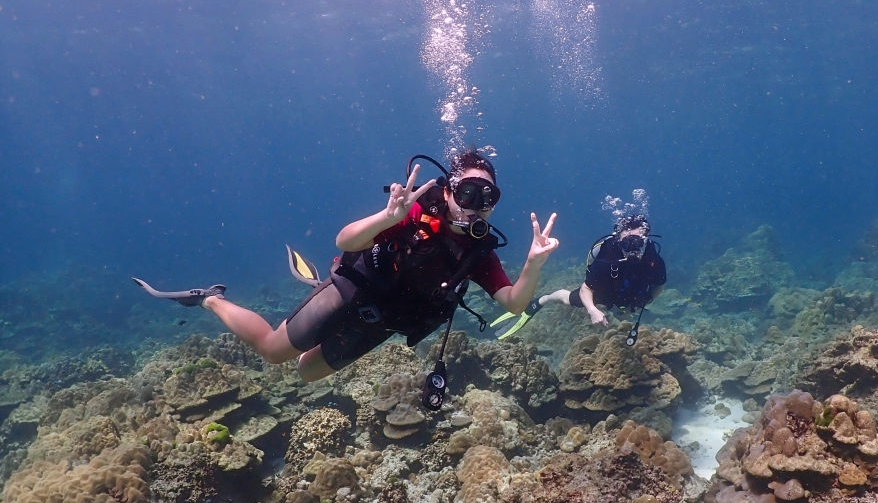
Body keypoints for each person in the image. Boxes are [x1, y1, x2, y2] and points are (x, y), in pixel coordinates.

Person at [134, 149, 559, 399]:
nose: (476, 205)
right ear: (447, 191)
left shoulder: (479, 252)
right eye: (467, 192)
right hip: (352, 290)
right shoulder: (412, 211)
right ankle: (210, 297)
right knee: (273, 352)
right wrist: (386, 217)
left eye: (488, 198)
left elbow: (513, 303)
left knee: (307, 373)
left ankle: (303, 297)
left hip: (388, 321)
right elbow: (345, 240)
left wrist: (533, 265)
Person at [491, 214, 665, 340]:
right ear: (619, 240)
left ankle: (621, 309)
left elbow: (659, 285)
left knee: (622, 314)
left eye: (638, 243)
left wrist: (643, 303)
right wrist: (593, 310)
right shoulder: (607, 258)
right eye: (628, 243)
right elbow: (586, 288)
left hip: (632, 295)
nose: (633, 249)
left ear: (646, 241)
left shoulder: (653, 260)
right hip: (603, 289)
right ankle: (544, 299)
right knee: (570, 299)